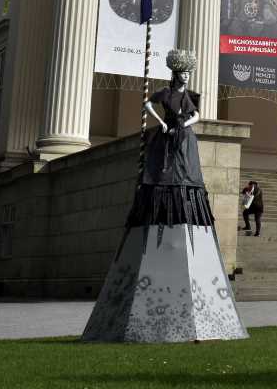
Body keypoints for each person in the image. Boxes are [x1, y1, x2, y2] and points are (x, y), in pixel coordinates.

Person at [82, 48, 248, 342]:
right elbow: (147, 104)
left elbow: (196, 115)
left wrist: (184, 124)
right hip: (166, 138)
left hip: (184, 139)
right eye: (182, 73)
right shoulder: (165, 93)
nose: (185, 76)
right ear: (175, 74)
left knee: (184, 171)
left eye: (187, 73)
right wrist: (160, 123)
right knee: (161, 169)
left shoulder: (190, 96)